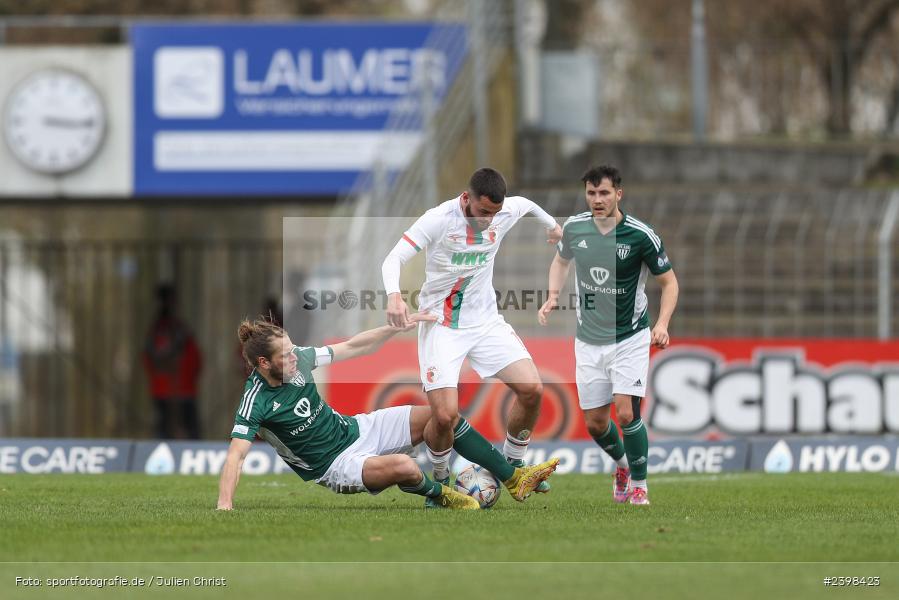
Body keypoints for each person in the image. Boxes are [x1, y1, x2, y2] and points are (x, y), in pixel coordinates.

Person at [217, 316, 557, 511]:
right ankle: (441, 496)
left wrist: (396, 328)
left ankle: (514, 477)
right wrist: (225, 505)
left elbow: (354, 346)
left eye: (293, 350)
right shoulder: (255, 400)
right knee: (406, 467)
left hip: (356, 429)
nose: (295, 357)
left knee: (441, 415)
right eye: (286, 355)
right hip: (335, 466)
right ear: (263, 363)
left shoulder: (301, 360)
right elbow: (236, 456)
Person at [381, 167, 562, 504]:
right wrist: (394, 295)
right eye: (482, 213)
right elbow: (393, 259)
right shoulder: (438, 220)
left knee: (532, 389)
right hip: (442, 325)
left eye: (494, 214)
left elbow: (528, 205)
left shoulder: (503, 211)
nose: (488, 221)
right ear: (466, 199)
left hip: (485, 323)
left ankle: (512, 463)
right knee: (445, 415)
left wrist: (553, 226)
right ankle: (439, 483)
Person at [538, 165, 679, 505]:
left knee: (627, 413)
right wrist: (553, 295)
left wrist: (662, 324)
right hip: (588, 340)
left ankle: (640, 485)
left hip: (629, 337)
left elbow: (669, 282)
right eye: (591, 193)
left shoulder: (640, 235)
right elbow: (560, 261)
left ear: (619, 194)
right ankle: (622, 466)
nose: (597, 200)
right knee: (596, 423)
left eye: (604, 193)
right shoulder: (575, 228)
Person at [142, 284, 202, 439]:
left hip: (182, 388)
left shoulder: (178, 328)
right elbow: (154, 360)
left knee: (189, 432)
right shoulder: (159, 330)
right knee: (167, 433)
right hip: (168, 390)